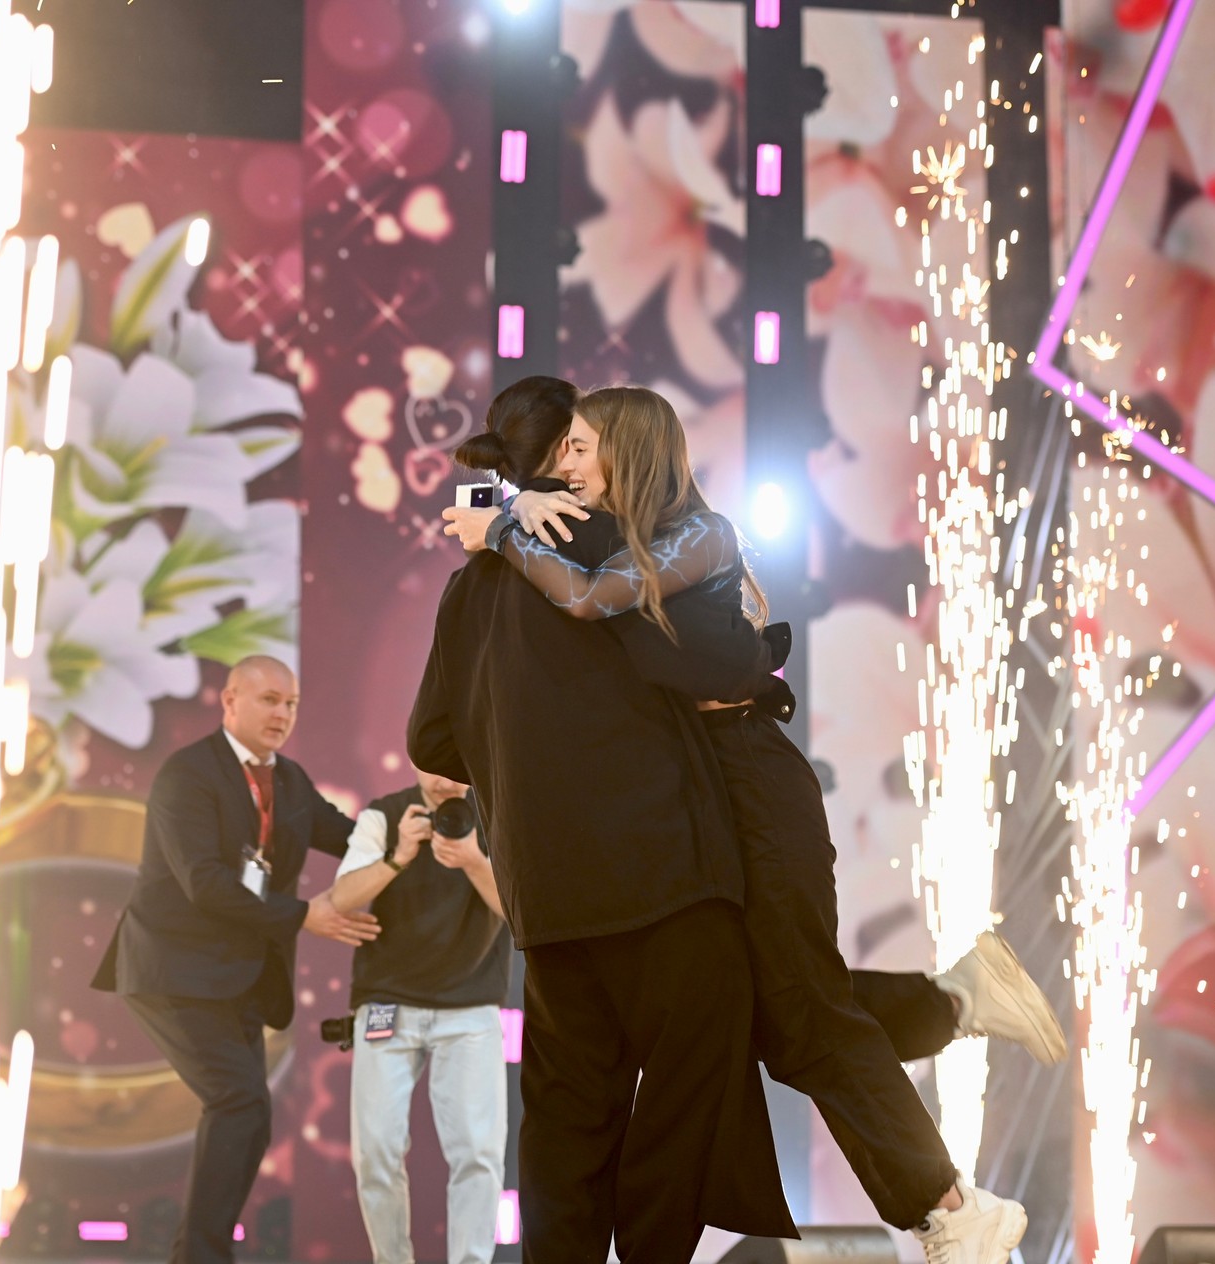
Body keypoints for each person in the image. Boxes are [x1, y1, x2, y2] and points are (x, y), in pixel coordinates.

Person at [446, 384, 1060, 1264]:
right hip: (695, 794)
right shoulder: (597, 537)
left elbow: (593, 599)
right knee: (760, 1005)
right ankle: (953, 1003)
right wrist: (515, 508)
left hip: (749, 778)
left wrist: (506, 524)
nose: (564, 465)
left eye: (580, 447)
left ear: (630, 449)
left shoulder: (696, 535)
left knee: (798, 1009)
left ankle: (953, 1207)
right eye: (559, 452)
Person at [408, 383, 797, 1261]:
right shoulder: (620, 546)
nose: (585, 460)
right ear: (561, 454)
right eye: (578, 445)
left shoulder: (469, 587)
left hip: (546, 893)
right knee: (694, 1081)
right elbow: (718, 661)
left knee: (565, 1117)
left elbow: (430, 740)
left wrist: (518, 760)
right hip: (665, 870)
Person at [89, 656, 380, 1264]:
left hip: (237, 978)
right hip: (174, 971)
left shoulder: (290, 781)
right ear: (229, 701)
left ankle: (199, 1254)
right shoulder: (188, 774)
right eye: (269, 700)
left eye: (291, 704)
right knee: (239, 1104)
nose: (282, 714)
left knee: (248, 1116)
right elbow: (206, 883)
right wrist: (304, 915)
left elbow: (351, 838)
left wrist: (412, 841)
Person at [326, 768, 511, 1264]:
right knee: (375, 1152)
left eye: (457, 768)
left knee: (479, 1154)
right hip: (387, 1003)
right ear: (415, 759)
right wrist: (398, 857)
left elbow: (522, 912)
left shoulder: (499, 815)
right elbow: (341, 898)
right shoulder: (386, 816)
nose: (446, 780)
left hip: (471, 1005)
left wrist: (473, 860)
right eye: (436, 765)